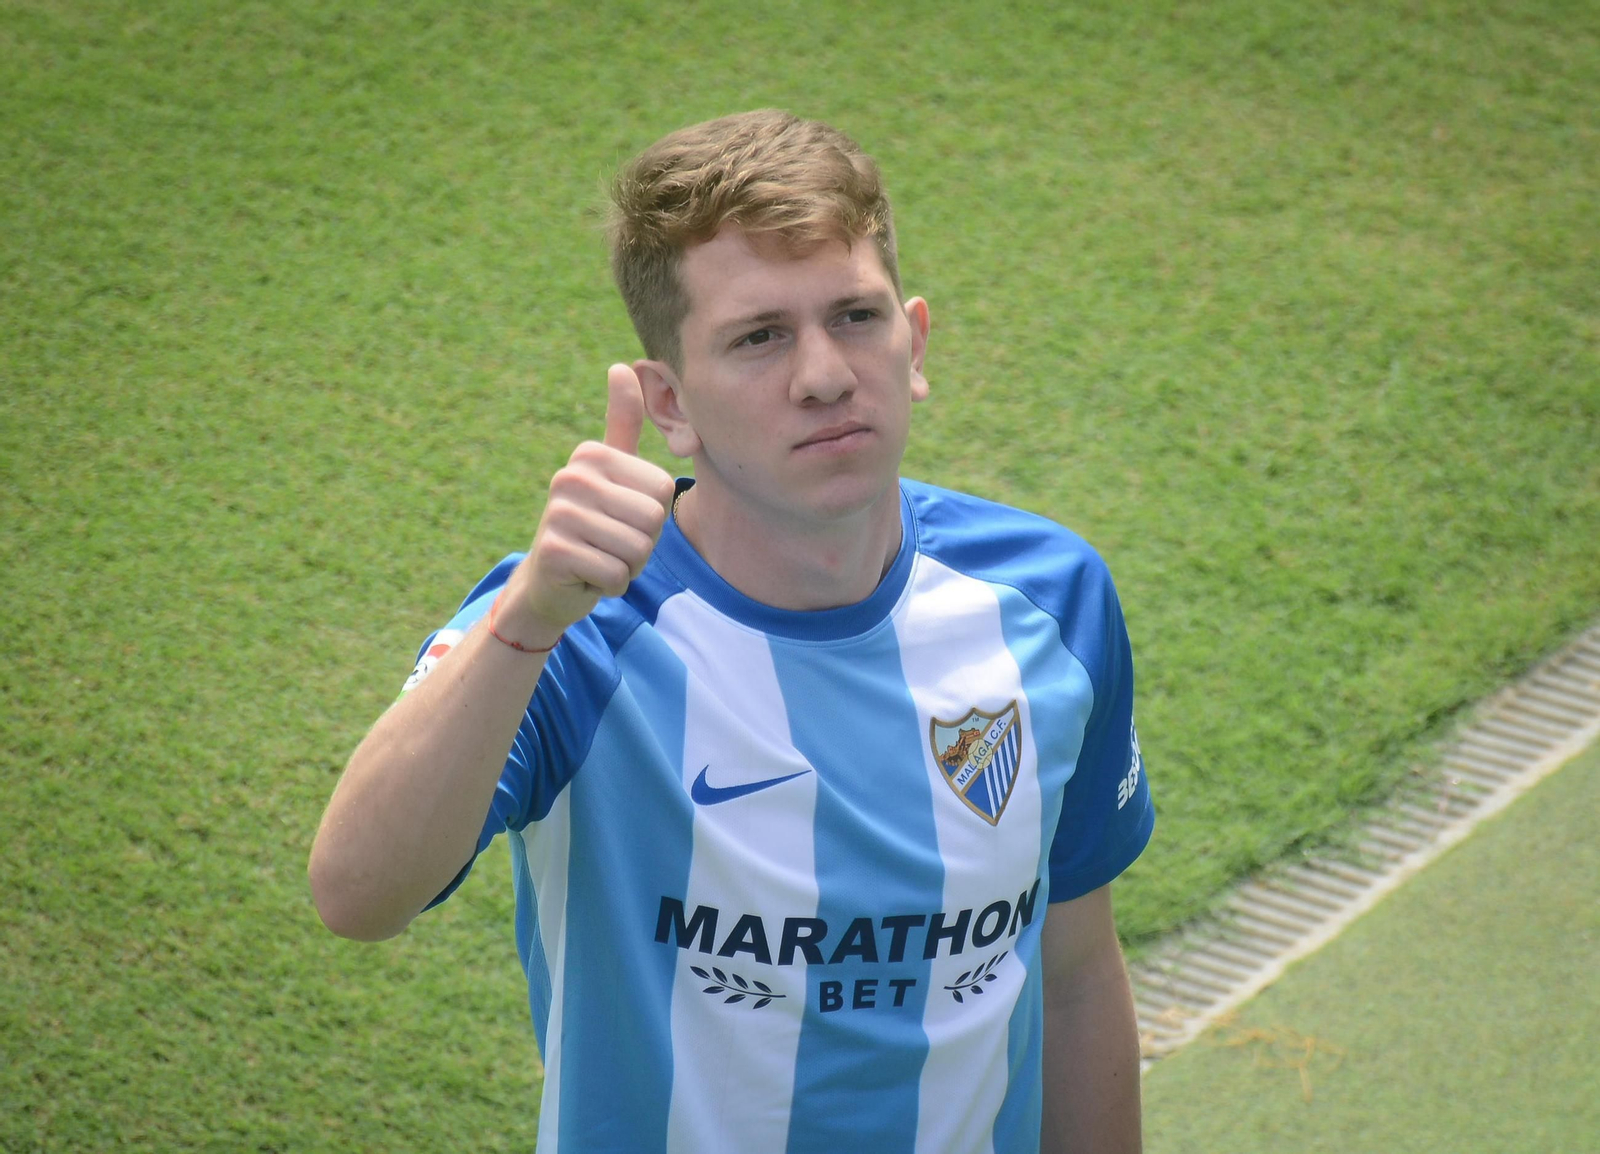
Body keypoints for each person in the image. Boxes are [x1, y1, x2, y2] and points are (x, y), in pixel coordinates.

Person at [309, 109, 1154, 1154]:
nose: (824, 374)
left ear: (915, 340)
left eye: (854, 316)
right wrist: (525, 623)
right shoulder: (579, 625)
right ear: (669, 402)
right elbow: (356, 893)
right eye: (759, 337)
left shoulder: (1048, 598)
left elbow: (1073, 975)